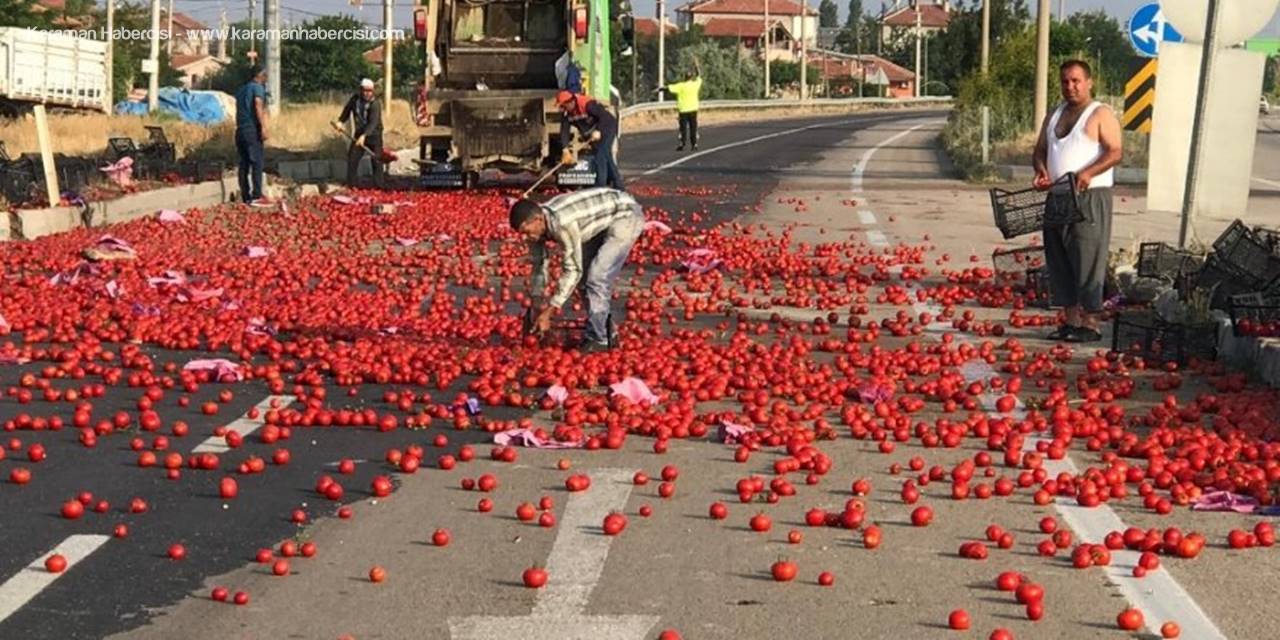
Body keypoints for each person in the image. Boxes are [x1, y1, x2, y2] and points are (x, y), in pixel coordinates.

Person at [1032, 59, 1123, 343]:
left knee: (1087, 256)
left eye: (1076, 81)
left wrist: (1087, 173)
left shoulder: (1100, 113)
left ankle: (1091, 323)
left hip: (1089, 195)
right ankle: (1070, 320)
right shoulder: (1055, 114)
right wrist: (1041, 170)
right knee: (1059, 257)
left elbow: (1115, 151)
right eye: (1065, 82)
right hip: (1057, 195)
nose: (1070, 87)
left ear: (1089, 82)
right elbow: (1040, 150)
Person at [510, 188, 646, 352]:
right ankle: (606, 329)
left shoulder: (562, 223)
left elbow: (573, 270)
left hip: (625, 214)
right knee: (584, 280)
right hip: (596, 222)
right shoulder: (536, 229)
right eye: (521, 234)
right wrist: (538, 302)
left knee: (597, 277)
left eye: (526, 232)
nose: (525, 237)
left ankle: (599, 339)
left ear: (538, 219)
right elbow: (539, 265)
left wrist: (550, 311)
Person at [556, 90, 623, 189]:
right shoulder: (566, 113)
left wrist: (599, 130)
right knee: (607, 157)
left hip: (606, 128)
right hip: (592, 134)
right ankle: (619, 186)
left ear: (570, 102)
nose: (562, 108)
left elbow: (605, 117)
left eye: (563, 106)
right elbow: (564, 131)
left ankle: (600, 186)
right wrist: (565, 149)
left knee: (600, 156)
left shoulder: (587, 104)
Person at [334, 78, 385, 189]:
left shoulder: (375, 104)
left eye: (369, 91)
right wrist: (340, 121)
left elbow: (373, 122)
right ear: (360, 90)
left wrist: (364, 136)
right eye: (365, 91)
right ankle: (352, 185)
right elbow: (347, 111)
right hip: (359, 133)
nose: (367, 93)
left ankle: (379, 186)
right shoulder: (355, 100)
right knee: (352, 158)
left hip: (374, 135)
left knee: (377, 160)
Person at [234, 65, 271, 206]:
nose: (266, 78)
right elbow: (257, 104)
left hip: (240, 130)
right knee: (257, 162)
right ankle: (256, 196)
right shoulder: (257, 88)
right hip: (252, 130)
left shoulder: (241, 90)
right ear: (260, 75)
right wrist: (263, 127)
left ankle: (245, 195)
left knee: (244, 164)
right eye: (265, 75)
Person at [659, 61, 702, 151]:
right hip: (693, 109)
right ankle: (694, 144)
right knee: (693, 128)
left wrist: (659, 89)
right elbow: (699, 77)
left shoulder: (681, 86)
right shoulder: (695, 85)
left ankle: (682, 143)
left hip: (683, 110)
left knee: (683, 129)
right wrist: (696, 67)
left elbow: (668, 88)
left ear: (685, 78)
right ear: (691, 78)